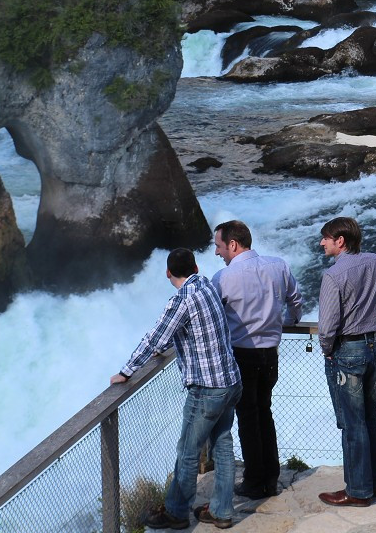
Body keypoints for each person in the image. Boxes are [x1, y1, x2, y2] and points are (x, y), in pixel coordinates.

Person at [110, 249, 241, 530]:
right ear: (195, 266)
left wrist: (126, 371)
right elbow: (191, 330)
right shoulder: (206, 285)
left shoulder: (182, 300)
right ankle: (222, 511)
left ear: (168, 273)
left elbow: (155, 339)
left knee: (188, 452)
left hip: (207, 389)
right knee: (223, 446)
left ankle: (177, 512)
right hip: (230, 380)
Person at [211, 220, 303, 500]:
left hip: (241, 355)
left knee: (247, 419)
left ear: (233, 245)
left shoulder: (223, 278)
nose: (217, 253)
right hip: (270, 353)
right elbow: (295, 301)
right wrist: (289, 322)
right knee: (264, 412)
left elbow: (212, 319)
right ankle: (270, 478)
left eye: (218, 246)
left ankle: (255, 482)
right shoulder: (278, 266)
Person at [317, 216, 376, 507]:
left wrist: (327, 349)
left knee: (353, 424)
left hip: (349, 351)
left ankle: (357, 491)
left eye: (326, 238)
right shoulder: (375, 262)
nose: (321, 242)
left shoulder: (333, 276)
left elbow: (327, 325)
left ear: (340, 241)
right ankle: (372, 484)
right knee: (371, 418)